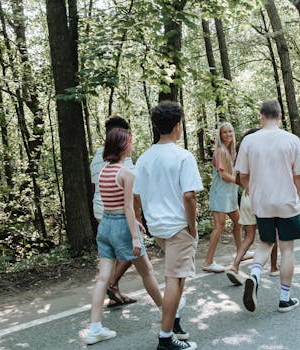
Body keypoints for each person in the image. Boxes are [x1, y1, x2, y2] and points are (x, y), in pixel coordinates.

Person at [85, 128, 164, 345]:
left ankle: (95, 328)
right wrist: (135, 236)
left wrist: (133, 222)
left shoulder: (103, 172)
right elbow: (128, 209)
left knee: (103, 278)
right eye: (130, 142)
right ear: (122, 146)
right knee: (147, 271)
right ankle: (168, 313)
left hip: (106, 226)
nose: (132, 145)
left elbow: (112, 204)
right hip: (122, 227)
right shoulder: (127, 173)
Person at [134, 101, 202, 350]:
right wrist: (192, 227)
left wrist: (140, 220)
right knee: (174, 279)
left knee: (179, 277)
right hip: (178, 226)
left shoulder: (143, 158)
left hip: (158, 228)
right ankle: (165, 339)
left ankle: (173, 323)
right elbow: (189, 196)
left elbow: (137, 195)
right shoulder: (183, 156)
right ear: (177, 126)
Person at [235, 100, 300, 313]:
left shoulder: (249, 141)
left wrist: (252, 191)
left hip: (262, 202)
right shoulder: (292, 140)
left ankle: (255, 275)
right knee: (287, 249)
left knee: (266, 242)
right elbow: (299, 175)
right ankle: (284, 299)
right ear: (280, 117)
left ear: (261, 116)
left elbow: (243, 176)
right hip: (286, 200)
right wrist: (297, 195)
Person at [90, 116, 136, 308]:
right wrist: (137, 217)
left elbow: (94, 187)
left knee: (113, 255)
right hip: (119, 211)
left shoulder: (96, 158)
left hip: (101, 211)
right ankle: (112, 284)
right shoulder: (123, 159)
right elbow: (133, 191)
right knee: (131, 253)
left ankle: (113, 293)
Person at [226, 128, 279, 286]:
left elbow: (237, 179)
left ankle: (234, 266)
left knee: (249, 237)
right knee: (272, 235)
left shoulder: (242, 157)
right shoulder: (263, 156)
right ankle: (274, 267)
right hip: (263, 198)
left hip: (246, 198)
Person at [203, 122, 242, 273]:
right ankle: (207, 262)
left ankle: (241, 252)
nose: (228, 134)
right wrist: (241, 183)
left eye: (230, 131)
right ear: (220, 135)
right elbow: (223, 175)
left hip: (230, 195)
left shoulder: (231, 151)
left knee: (239, 222)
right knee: (219, 227)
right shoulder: (220, 151)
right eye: (225, 132)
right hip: (220, 194)